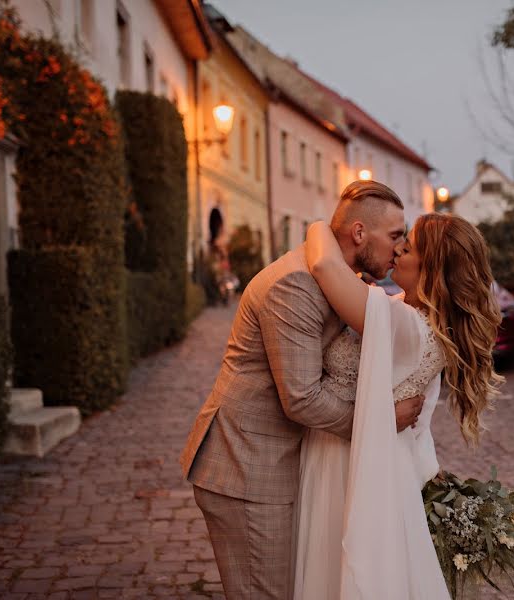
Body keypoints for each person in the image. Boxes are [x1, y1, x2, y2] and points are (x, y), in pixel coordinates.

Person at [179, 180, 425, 600]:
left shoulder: (330, 276)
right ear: (360, 233)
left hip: (270, 462)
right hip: (246, 467)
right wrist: (383, 420)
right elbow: (302, 398)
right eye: (395, 236)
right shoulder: (294, 285)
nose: (398, 249)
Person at [294, 210, 504, 599]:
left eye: (407, 247)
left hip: (349, 462)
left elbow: (323, 261)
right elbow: (419, 427)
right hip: (383, 464)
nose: (397, 252)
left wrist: (321, 224)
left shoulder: (404, 323)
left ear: (431, 268)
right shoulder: (430, 326)